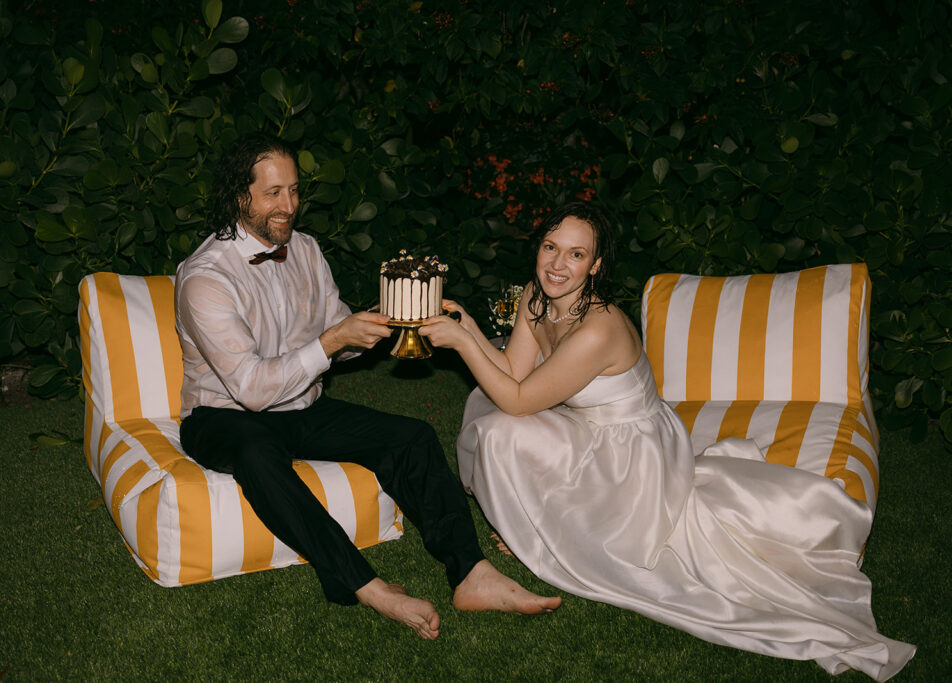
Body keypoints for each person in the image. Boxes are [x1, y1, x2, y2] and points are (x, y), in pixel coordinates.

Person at [418, 202, 915, 678]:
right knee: (491, 416)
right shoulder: (534, 296)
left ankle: (547, 523)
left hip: (632, 454)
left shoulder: (599, 328)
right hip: (583, 428)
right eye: (551, 247)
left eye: (576, 254)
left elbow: (522, 399)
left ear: (595, 266)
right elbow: (510, 373)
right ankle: (526, 518)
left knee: (506, 421)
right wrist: (472, 328)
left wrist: (463, 342)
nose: (557, 264)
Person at [173, 131, 560, 640]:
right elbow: (251, 388)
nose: (288, 206)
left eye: (293, 191)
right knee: (256, 450)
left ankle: (471, 572)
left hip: (301, 407)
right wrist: (335, 340)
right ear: (238, 196)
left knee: (412, 436)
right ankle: (366, 586)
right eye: (273, 194)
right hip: (225, 418)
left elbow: (338, 332)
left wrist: (388, 324)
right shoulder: (205, 277)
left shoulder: (306, 250)